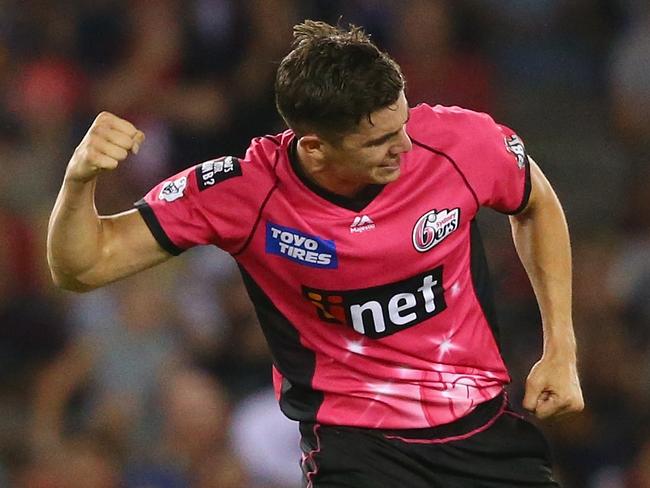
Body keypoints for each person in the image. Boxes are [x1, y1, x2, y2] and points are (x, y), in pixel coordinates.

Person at [48, 20, 584, 487]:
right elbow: (83, 266)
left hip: (482, 429)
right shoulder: (245, 192)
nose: (405, 147)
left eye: (401, 124)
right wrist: (78, 181)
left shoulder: (458, 141)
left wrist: (560, 346)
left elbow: (535, 201)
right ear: (313, 146)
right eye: (379, 142)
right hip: (356, 447)